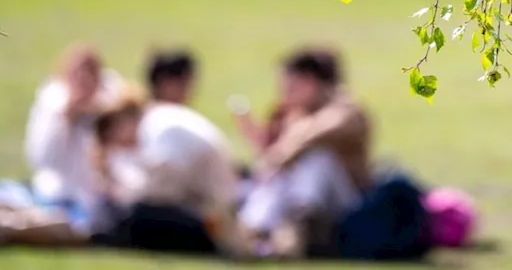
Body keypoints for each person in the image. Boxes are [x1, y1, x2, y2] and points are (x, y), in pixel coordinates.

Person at [236, 47, 372, 258]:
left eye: (290, 86)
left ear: (310, 82)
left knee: (318, 160)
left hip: (349, 209)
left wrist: (279, 157)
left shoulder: (347, 109)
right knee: (282, 173)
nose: (284, 94)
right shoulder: (300, 114)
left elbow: (318, 132)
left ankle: (291, 229)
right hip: (308, 206)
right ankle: (252, 230)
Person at [87, 84, 244, 256]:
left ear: (122, 119)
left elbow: (163, 193)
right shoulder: (159, 118)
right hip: (209, 209)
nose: (119, 145)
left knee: (135, 214)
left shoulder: (156, 127)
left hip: (214, 218)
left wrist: (122, 190)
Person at [23, 43, 124, 232]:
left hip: (101, 193)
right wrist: (67, 117)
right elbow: (42, 159)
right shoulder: (52, 104)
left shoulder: (112, 104)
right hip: (61, 192)